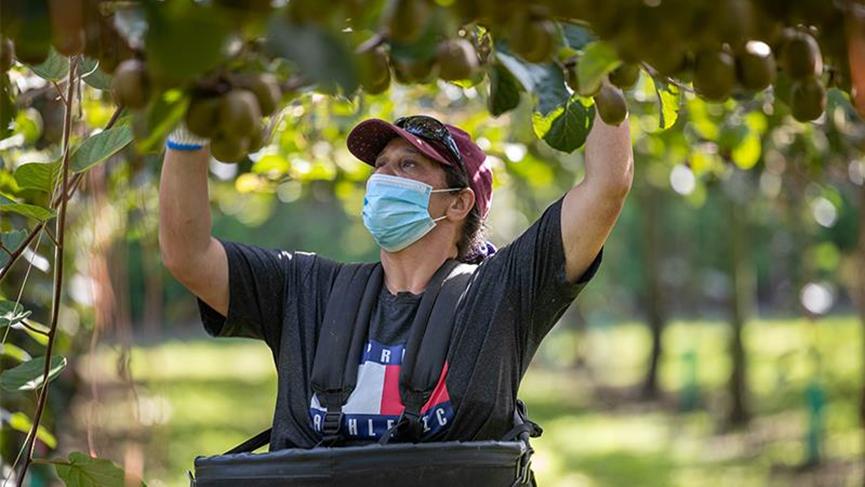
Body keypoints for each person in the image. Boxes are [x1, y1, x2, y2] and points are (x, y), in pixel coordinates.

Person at [158, 109, 633, 451]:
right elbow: (188, 255)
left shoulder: (500, 293)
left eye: (408, 165)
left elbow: (608, 185)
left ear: (458, 203)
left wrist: (598, 71)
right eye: (380, 166)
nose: (384, 177)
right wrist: (189, 125)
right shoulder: (306, 289)